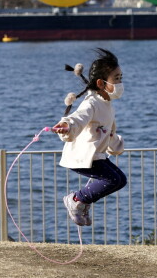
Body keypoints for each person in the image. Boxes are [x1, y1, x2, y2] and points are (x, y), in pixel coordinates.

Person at [52, 48, 127, 227]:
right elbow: (79, 117)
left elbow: (109, 132)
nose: (120, 83)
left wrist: (116, 145)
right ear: (101, 83)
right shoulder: (91, 103)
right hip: (83, 157)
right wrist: (67, 125)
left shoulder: (107, 104)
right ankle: (76, 199)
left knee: (120, 180)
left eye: (121, 78)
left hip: (96, 156)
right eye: (116, 79)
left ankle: (82, 202)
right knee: (113, 179)